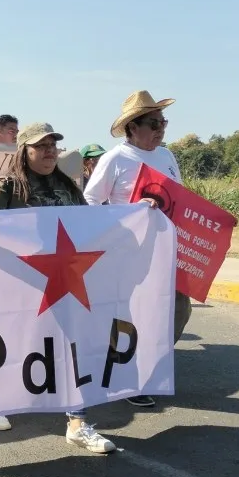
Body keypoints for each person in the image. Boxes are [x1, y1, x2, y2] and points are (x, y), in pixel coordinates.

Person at [0, 123, 118, 451]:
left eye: (52, 145)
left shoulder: (68, 187)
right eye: (40, 146)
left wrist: (139, 213)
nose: (49, 151)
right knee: (17, 346)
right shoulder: (9, 187)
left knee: (71, 348)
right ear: (24, 151)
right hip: (18, 287)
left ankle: (77, 422)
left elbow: (89, 225)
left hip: (63, 285)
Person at [83, 91, 191, 408]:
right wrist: (129, 215)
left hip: (165, 252)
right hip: (128, 255)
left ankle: (149, 367)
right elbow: (90, 203)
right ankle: (130, 378)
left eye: (163, 122)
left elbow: (179, 198)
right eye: (153, 123)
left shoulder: (167, 156)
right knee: (131, 316)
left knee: (178, 309)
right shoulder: (115, 159)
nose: (161, 129)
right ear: (132, 127)